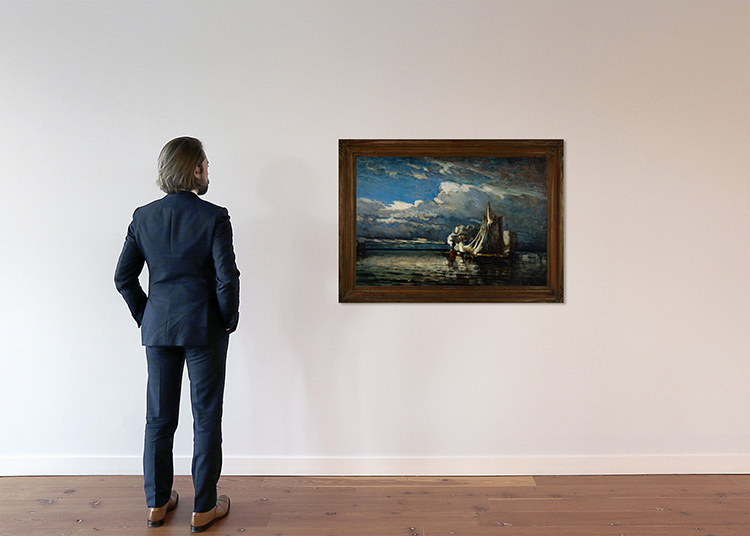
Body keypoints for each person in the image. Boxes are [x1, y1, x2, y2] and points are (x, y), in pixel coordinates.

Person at [115, 137, 240, 532]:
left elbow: (123, 277)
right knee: (205, 418)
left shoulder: (143, 216)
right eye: (206, 164)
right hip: (204, 328)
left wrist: (146, 316)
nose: (208, 171)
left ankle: (157, 503)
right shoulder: (214, 216)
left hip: (159, 328)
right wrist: (227, 320)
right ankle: (203, 507)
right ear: (195, 169)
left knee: (158, 417)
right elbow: (227, 278)